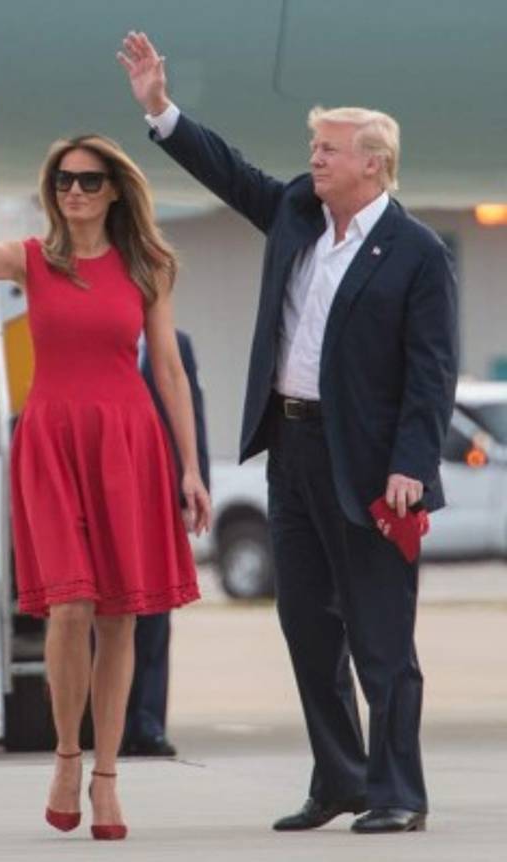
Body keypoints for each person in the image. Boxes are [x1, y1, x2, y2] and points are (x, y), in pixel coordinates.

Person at [120, 32, 458, 834]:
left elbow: (431, 371)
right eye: (314, 146)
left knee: (381, 641)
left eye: (330, 149)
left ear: (373, 163)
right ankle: (339, 779)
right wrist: (161, 110)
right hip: (293, 451)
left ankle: (398, 792)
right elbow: (232, 172)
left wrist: (412, 463)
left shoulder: (416, 253)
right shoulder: (299, 216)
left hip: (374, 470)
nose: (315, 159)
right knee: (307, 627)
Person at [0, 86, 211, 841]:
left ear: (115, 189)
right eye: (65, 180)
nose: (77, 191)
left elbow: (169, 371)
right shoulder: (35, 261)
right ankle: (66, 755)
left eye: (91, 179)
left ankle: (109, 776)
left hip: (127, 440)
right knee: (68, 606)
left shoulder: (149, 264)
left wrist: (191, 468)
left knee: (121, 614)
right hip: (53, 440)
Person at [121, 328, 210, 758]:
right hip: (110, 487)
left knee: (156, 614)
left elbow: (193, 414)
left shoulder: (177, 343)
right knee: (107, 614)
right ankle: (110, 722)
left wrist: (195, 486)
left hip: (159, 492)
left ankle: (149, 723)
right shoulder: (94, 330)